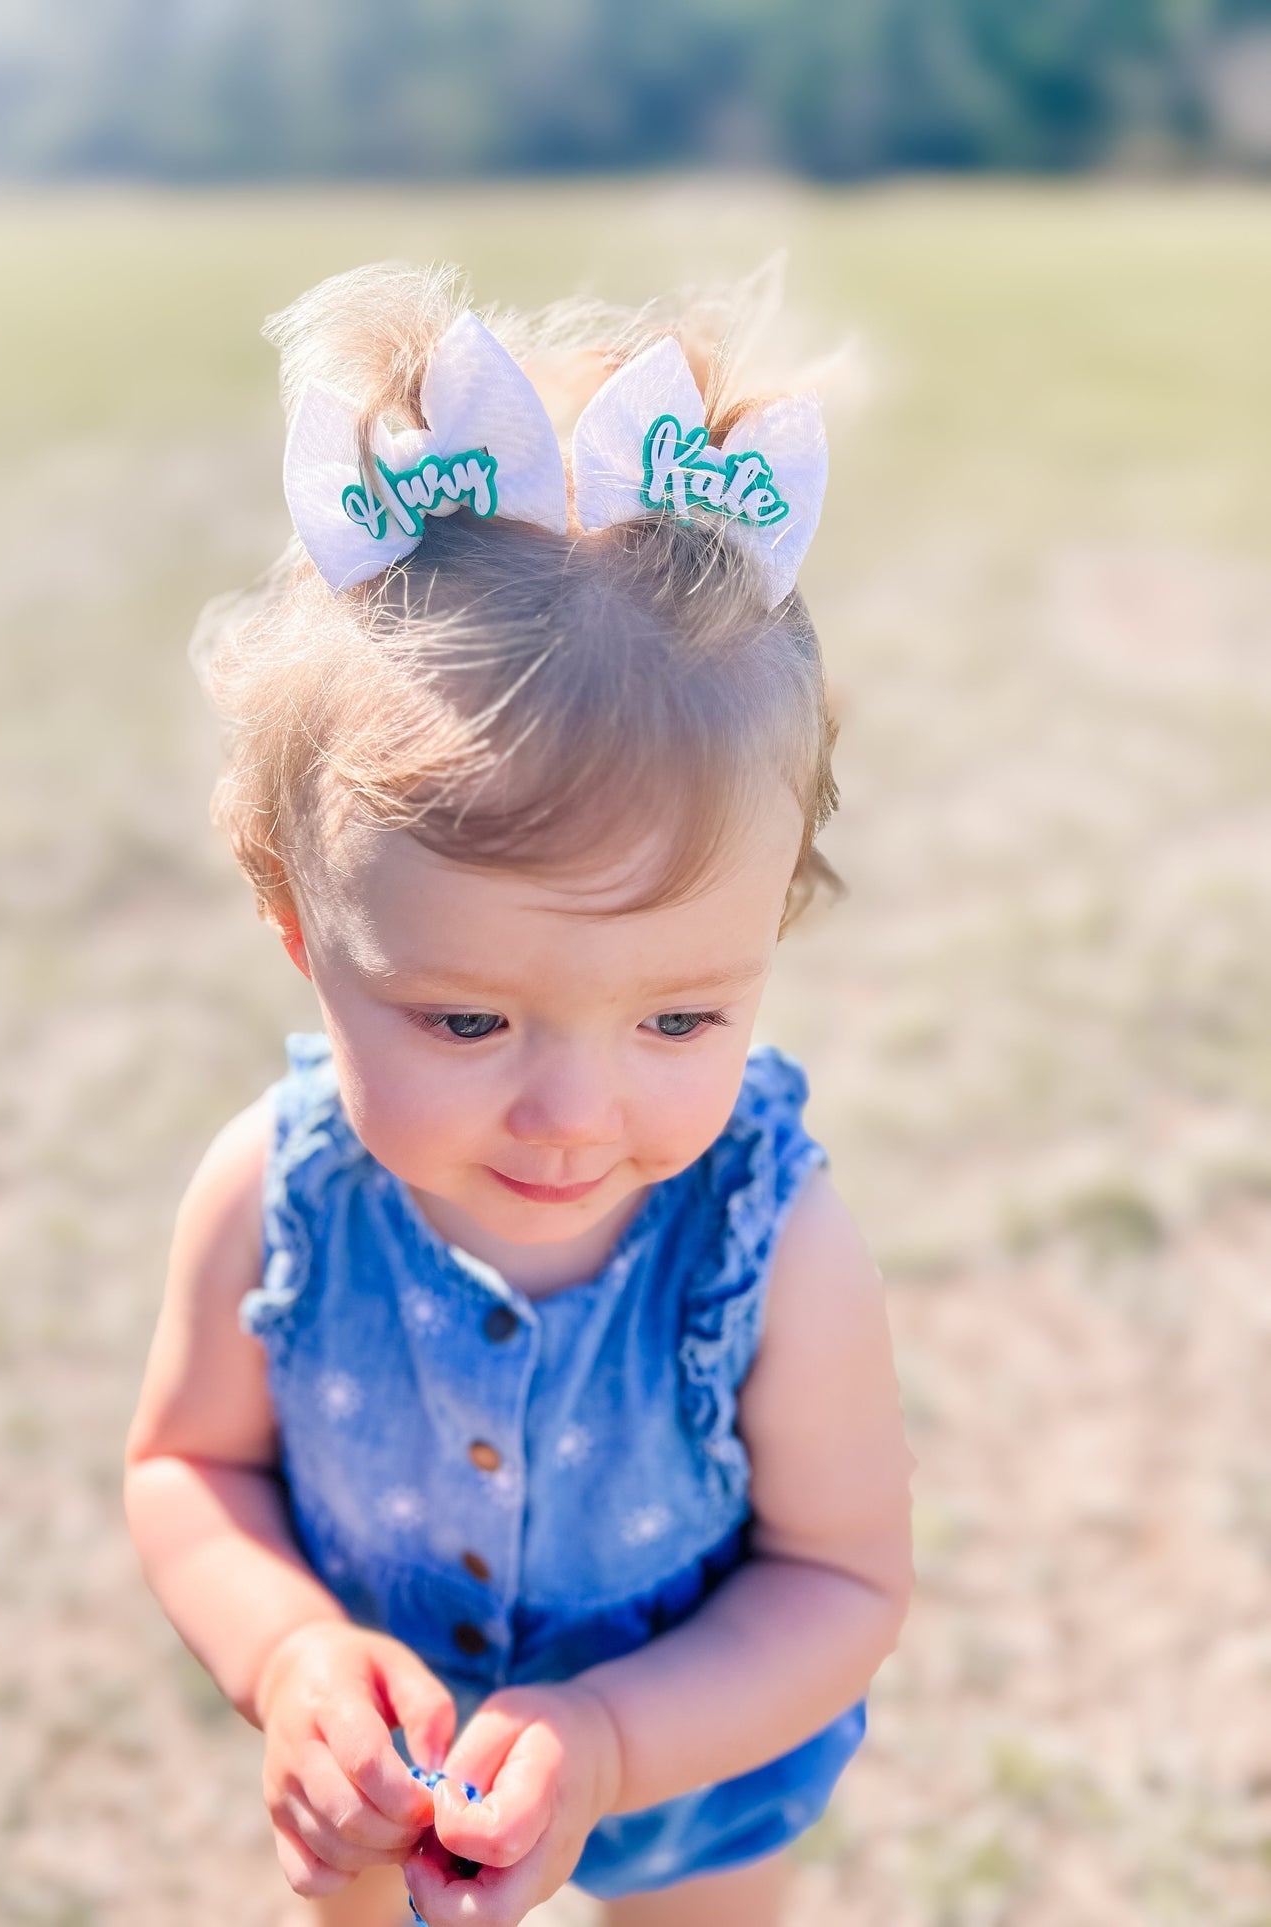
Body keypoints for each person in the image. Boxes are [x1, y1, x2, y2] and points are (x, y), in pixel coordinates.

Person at [123, 262, 915, 1927]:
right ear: (300, 928)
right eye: (468, 1023)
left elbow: (839, 1580)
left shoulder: (769, 1235)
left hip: (692, 1771)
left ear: (769, 926)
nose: (573, 1113)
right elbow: (185, 1469)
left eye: (680, 1018)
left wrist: (617, 1744)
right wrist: (289, 1655)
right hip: (376, 1786)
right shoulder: (277, 1193)